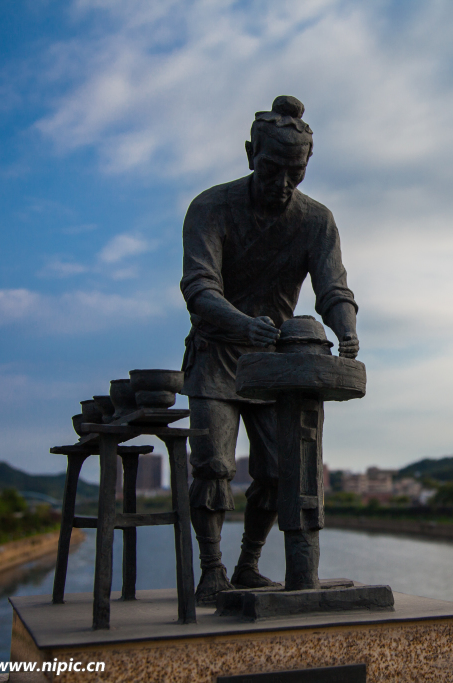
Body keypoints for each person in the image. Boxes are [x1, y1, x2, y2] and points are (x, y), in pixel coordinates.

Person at [180, 95, 359, 605]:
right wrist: (242, 324)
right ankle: (211, 568)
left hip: (276, 364)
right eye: (272, 169)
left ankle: (248, 564)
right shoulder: (211, 207)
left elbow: (333, 287)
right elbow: (199, 287)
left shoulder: (315, 221)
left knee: (281, 472)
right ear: (249, 154)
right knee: (213, 464)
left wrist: (345, 328)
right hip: (217, 355)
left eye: (294, 173)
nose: (282, 183)